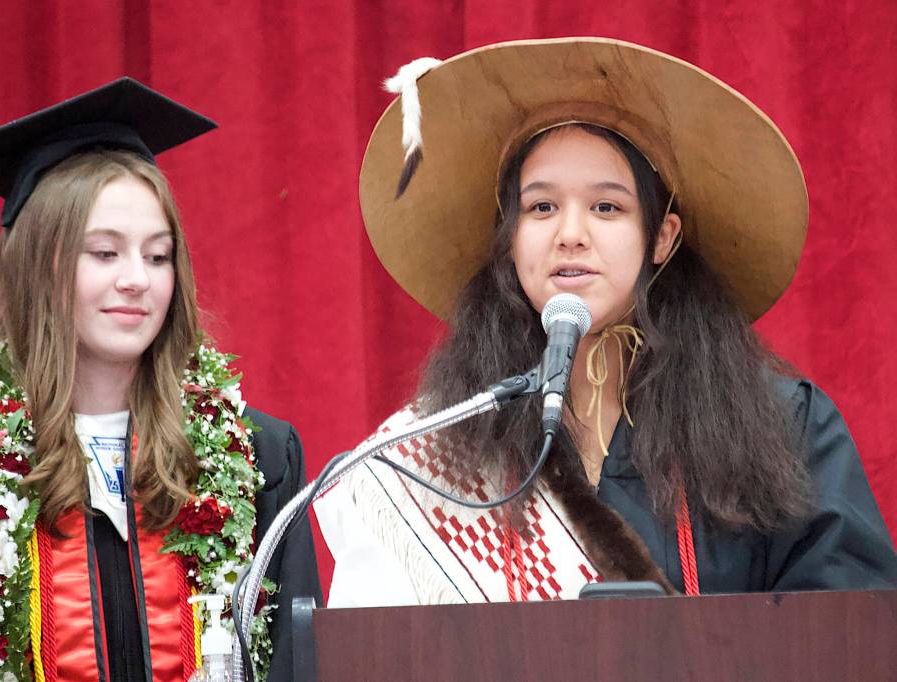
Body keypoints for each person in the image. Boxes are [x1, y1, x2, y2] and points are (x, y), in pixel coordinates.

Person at [315, 38, 897, 606]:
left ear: (662, 236)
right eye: (541, 207)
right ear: (509, 237)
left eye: (606, 207)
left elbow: (848, 636)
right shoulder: (442, 447)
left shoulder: (785, 427)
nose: (570, 234)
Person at [0, 78, 320, 681]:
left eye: (158, 255)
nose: (138, 279)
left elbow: (296, 666)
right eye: (105, 253)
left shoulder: (258, 459)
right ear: (40, 267)